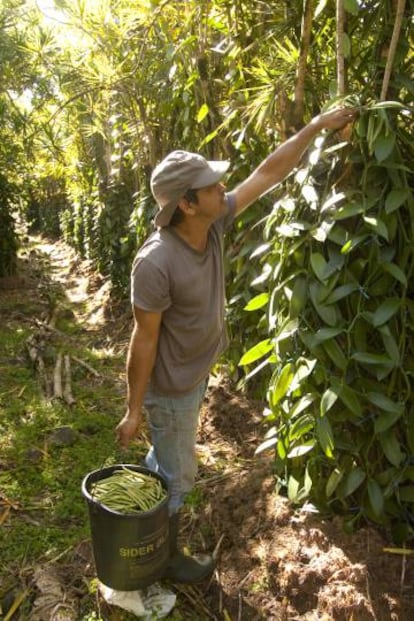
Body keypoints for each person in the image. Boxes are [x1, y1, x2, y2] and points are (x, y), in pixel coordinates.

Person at [116, 106, 358, 583]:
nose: (222, 188)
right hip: (170, 386)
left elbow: (268, 173)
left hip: (193, 374)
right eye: (210, 186)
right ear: (185, 204)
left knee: (165, 460)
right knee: (180, 477)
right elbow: (142, 342)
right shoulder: (156, 262)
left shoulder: (213, 222)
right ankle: (162, 559)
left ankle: (143, 519)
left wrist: (313, 127)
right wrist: (134, 409)